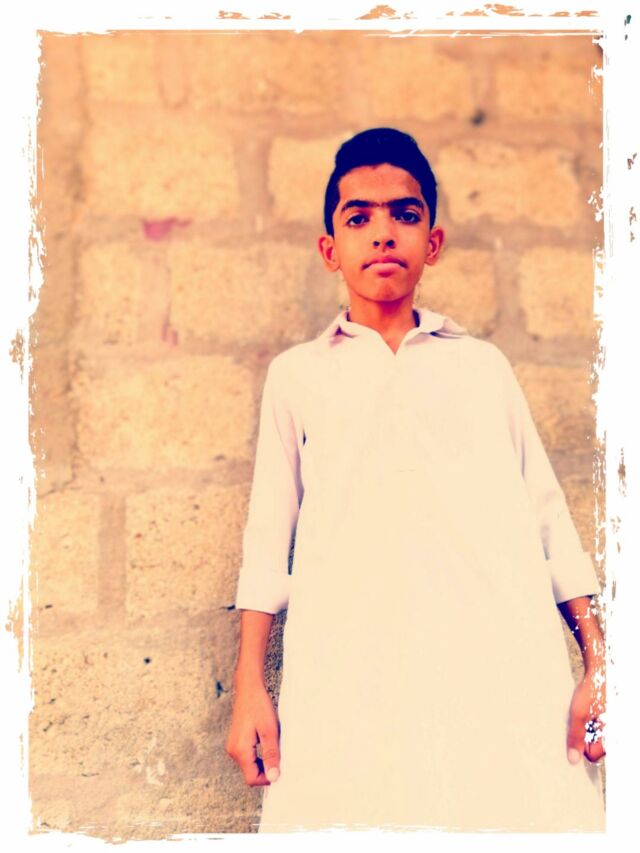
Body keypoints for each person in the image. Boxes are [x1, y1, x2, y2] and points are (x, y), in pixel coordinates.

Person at [225, 127, 607, 832]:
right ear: (329, 248)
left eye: (404, 214)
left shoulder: (482, 368)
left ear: (432, 242)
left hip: (500, 671)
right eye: (358, 217)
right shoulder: (298, 377)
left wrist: (598, 663)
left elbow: (549, 519)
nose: (383, 233)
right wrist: (250, 685)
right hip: (349, 674)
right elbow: (267, 537)